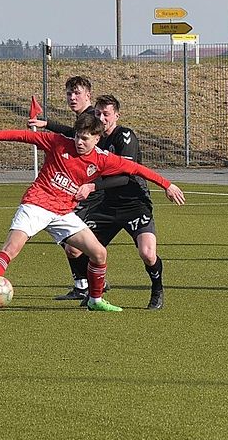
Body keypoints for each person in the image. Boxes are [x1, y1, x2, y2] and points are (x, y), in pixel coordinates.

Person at [0, 113, 185, 312]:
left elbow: (136, 169)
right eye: (78, 137)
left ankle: (95, 300)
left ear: (97, 139)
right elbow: (24, 136)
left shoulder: (102, 159)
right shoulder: (58, 143)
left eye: (85, 139)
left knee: (99, 254)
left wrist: (167, 185)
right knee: (12, 247)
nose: (79, 143)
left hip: (63, 213)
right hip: (36, 204)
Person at [68, 95, 167, 309]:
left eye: (106, 114)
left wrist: (92, 187)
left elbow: (125, 176)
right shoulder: (94, 138)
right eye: (98, 113)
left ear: (116, 116)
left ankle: (157, 289)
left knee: (148, 254)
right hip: (107, 206)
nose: (101, 118)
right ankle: (96, 287)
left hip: (135, 203)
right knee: (74, 248)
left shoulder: (125, 136)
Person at [27, 75, 100, 299]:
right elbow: (71, 133)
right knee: (72, 244)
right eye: (69, 93)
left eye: (77, 93)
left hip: (91, 189)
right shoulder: (83, 119)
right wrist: (47, 124)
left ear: (88, 95)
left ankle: (92, 283)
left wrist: (47, 125)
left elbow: (77, 138)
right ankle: (84, 284)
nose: (72, 97)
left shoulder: (92, 118)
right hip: (80, 188)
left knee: (74, 241)